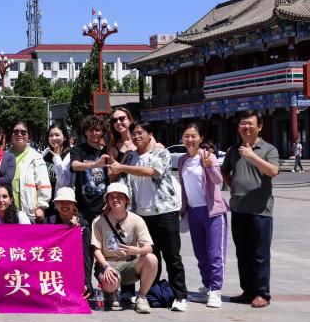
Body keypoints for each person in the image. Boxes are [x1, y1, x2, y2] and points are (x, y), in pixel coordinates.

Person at [108, 120, 188, 311]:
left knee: (172, 256)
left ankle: (180, 296)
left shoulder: (161, 152)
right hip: (142, 215)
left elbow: (153, 171)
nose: (136, 137)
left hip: (165, 212)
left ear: (150, 134)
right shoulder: (130, 157)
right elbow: (122, 181)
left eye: (140, 133)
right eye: (134, 134)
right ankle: (151, 293)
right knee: (150, 256)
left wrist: (122, 167)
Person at [222, 110, 279, 309]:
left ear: (259, 126)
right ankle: (248, 291)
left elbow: (273, 171)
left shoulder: (269, 149)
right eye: (243, 123)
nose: (246, 127)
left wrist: (251, 155)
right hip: (239, 210)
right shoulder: (233, 150)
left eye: (250, 123)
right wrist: (233, 186)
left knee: (260, 254)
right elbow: (224, 171)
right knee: (243, 253)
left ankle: (262, 293)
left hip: (260, 211)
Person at [177, 122, 227, 308]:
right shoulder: (182, 160)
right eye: (186, 136)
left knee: (215, 253)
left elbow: (218, 180)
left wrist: (210, 166)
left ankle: (215, 290)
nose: (189, 140)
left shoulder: (208, 156)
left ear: (201, 138)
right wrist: (183, 209)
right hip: (193, 211)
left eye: (193, 136)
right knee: (200, 253)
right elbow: (184, 186)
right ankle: (207, 286)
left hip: (212, 211)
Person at [91, 182, 158, 314]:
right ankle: (111, 292)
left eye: (119, 196)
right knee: (111, 282)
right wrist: (106, 266)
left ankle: (141, 297)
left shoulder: (137, 220)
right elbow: (96, 249)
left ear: (127, 200)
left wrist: (138, 250)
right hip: (108, 264)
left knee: (151, 259)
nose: (115, 199)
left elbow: (149, 247)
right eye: (111, 196)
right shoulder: (98, 221)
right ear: (107, 200)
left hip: (129, 264)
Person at [45, 187, 93, 298]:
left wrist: (87, 282)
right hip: (52, 266)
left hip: (73, 268)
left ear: (74, 204)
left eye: (68, 202)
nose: (65, 205)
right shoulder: (47, 222)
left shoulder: (83, 225)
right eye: (61, 202)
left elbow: (86, 255)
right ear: (56, 204)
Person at [8, 121, 51, 223]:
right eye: (16, 132)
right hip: (8, 211)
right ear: (11, 135)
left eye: (23, 132)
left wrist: (41, 207)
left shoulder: (36, 157)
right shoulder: (5, 156)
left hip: (30, 212)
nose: (19, 134)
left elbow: (43, 184)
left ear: (29, 136)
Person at [70, 115, 110, 224]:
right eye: (90, 130)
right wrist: (96, 164)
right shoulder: (77, 150)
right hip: (82, 208)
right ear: (85, 132)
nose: (94, 133)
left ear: (102, 132)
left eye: (97, 130)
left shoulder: (107, 151)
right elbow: (75, 165)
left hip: (104, 207)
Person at [42, 123, 74, 217]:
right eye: (51, 135)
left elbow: (65, 182)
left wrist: (56, 158)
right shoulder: (46, 153)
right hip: (46, 200)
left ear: (64, 137)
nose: (54, 138)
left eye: (57, 135)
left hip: (61, 201)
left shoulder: (70, 155)